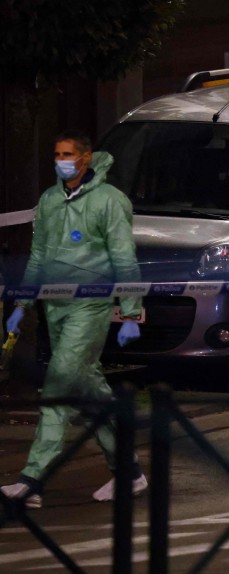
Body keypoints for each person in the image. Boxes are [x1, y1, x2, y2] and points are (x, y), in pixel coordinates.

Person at [0, 130, 146, 509]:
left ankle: (33, 479)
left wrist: (130, 312)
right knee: (88, 393)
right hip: (56, 308)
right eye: (57, 154)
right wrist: (22, 305)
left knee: (57, 386)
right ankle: (128, 472)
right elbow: (38, 256)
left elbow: (124, 258)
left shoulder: (110, 202)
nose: (60, 160)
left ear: (85, 159)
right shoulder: (49, 200)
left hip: (90, 306)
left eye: (67, 154)